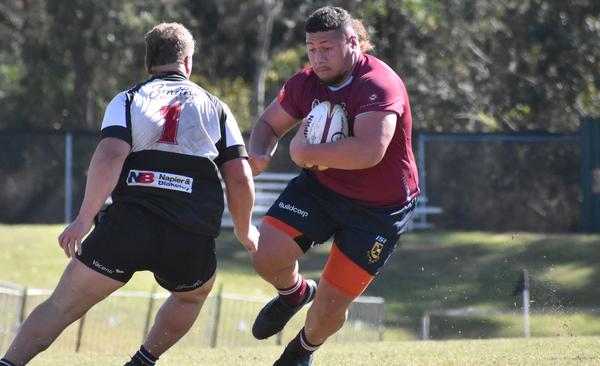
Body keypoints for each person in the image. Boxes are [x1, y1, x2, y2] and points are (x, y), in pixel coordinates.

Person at [0, 22, 258, 366]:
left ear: (148, 61)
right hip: (188, 233)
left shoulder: (128, 99)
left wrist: (83, 220)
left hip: (128, 227)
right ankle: (143, 361)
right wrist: (244, 229)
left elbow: (109, 155)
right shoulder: (216, 107)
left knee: (59, 305)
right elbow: (239, 176)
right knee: (192, 296)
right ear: (188, 61)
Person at [247, 6, 419, 366]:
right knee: (266, 256)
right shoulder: (305, 82)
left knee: (329, 307)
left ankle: (299, 352)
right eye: (311, 49)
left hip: (378, 210)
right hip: (321, 190)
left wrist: (305, 150)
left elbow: (369, 151)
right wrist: (259, 154)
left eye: (326, 48)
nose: (318, 57)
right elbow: (267, 125)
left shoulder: (378, 84)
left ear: (352, 42)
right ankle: (294, 294)